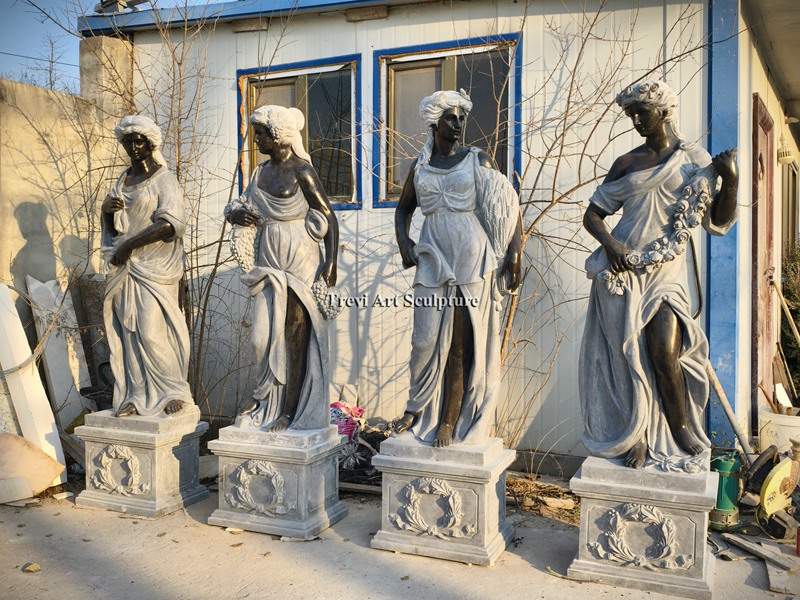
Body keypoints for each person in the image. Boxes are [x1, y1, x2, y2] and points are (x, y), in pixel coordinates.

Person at [579, 80, 738, 470]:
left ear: (664, 112)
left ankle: (681, 427)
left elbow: (717, 223)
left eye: (641, 112)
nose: (635, 120)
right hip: (623, 270)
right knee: (628, 355)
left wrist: (730, 180)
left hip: (666, 271)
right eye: (631, 114)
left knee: (664, 350)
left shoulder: (693, 160)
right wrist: (613, 247)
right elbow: (593, 214)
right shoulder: (626, 163)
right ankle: (638, 436)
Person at [393, 90, 522, 447]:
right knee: (424, 340)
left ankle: (449, 419)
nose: (460, 123)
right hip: (433, 255)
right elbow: (404, 209)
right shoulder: (419, 166)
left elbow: (507, 204)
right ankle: (416, 406)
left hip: (471, 256)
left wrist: (514, 252)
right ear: (435, 123)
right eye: (452, 117)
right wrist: (404, 241)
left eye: (462, 117)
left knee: (461, 344)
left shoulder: (477, 159)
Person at [226, 105, 339, 431]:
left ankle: (290, 410)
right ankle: (266, 400)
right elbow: (242, 207)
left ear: (277, 134)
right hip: (267, 261)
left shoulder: (302, 170)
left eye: (260, 133)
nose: (256, 139)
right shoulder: (260, 174)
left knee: (295, 338)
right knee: (261, 339)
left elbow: (328, 217)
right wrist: (235, 215)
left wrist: (330, 263)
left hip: (301, 261)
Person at [101, 114, 192, 417]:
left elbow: (171, 224)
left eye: (138, 140)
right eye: (128, 141)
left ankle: (173, 392)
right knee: (129, 333)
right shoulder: (122, 182)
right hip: (127, 269)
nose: (133, 146)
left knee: (152, 332)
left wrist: (130, 245)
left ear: (151, 142)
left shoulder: (164, 179)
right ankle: (136, 395)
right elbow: (116, 234)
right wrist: (105, 215)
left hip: (156, 269)